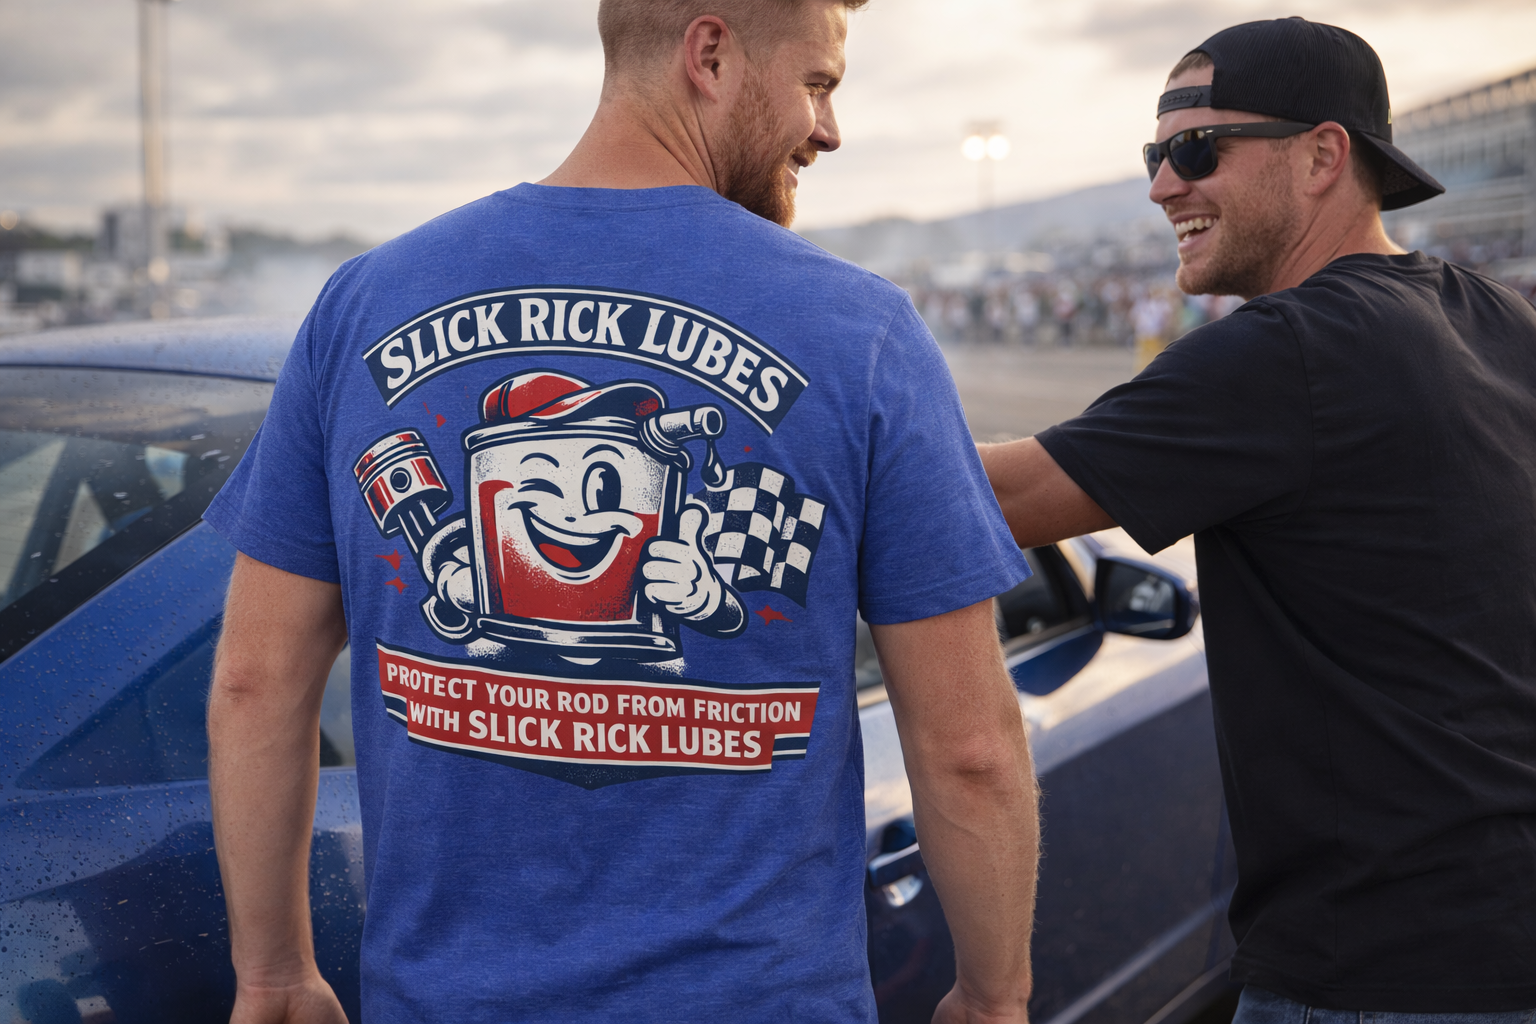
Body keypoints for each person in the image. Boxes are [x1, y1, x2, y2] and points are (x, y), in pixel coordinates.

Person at [206, 1, 1039, 1022]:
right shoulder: (860, 331)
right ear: (712, 51)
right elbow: (968, 747)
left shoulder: (363, 302)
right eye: (818, 85)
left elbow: (256, 682)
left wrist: (275, 975)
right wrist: (994, 997)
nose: (829, 130)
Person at [980, 16, 1536, 1022]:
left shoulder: (1290, 350)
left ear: (1324, 155)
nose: (1162, 186)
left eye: (1198, 150)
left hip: (1385, 968)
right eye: (1156, 155)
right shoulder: (1498, 316)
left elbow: (997, 501)